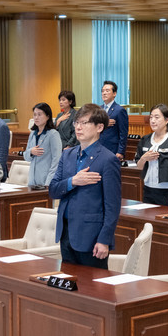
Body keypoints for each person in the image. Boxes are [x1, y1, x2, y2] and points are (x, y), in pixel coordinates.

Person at [49, 103, 121, 269]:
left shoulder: (108, 159)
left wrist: (104, 240)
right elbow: (53, 190)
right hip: (66, 233)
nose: (78, 127)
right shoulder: (67, 154)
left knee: (93, 283)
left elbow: (112, 205)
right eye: (76, 123)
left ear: (99, 127)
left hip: (91, 236)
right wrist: (73, 181)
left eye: (84, 123)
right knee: (68, 280)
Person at [135, 104, 168, 207]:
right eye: (151, 117)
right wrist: (144, 158)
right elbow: (139, 167)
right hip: (148, 189)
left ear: (166, 120)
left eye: (157, 117)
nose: (153, 121)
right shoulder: (145, 139)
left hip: (167, 191)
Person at [23, 102, 62, 187]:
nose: (36, 117)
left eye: (39, 114)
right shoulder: (32, 134)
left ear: (47, 116)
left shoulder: (53, 134)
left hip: (46, 180)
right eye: (34, 115)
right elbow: (26, 157)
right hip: (32, 181)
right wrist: (31, 151)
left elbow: (56, 161)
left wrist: (48, 183)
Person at [99, 80, 128, 160]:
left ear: (114, 93)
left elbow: (123, 133)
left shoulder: (119, 110)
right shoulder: (98, 109)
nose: (104, 93)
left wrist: (121, 151)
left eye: (107, 91)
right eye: (102, 91)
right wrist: (104, 123)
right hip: (99, 148)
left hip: (112, 149)